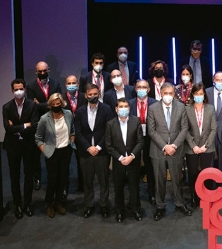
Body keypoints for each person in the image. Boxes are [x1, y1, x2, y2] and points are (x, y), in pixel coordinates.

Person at [148, 82, 192, 220]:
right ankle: (160, 206)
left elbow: (184, 128)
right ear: (161, 94)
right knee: (159, 180)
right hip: (158, 150)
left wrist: (174, 146)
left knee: (177, 179)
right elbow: (151, 130)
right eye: (165, 93)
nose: (168, 96)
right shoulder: (153, 108)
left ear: (174, 94)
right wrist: (164, 146)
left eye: (170, 93)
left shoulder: (181, 107)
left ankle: (180, 203)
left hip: (176, 150)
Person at [74, 84, 114, 219]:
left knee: (104, 181)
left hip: (101, 152)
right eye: (90, 94)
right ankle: (89, 205)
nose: (92, 96)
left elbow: (109, 131)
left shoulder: (106, 109)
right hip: (85, 152)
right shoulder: (79, 112)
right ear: (86, 95)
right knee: (87, 181)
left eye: (95, 94)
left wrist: (98, 147)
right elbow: (78, 133)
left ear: (99, 94)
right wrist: (88, 147)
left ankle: (104, 205)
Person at [2, 78, 39, 218]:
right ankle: (18, 204)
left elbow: (34, 126)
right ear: (12, 91)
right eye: (16, 89)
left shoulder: (32, 105)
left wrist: (16, 127)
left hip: (29, 145)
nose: (18, 91)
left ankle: (27, 204)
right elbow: (7, 128)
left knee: (28, 176)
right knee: (14, 176)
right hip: (13, 146)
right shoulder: (6, 107)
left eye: (21, 89)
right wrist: (25, 125)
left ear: (25, 89)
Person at [35, 93, 75, 218]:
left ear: (62, 104)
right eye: (54, 104)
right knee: (52, 179)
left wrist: (72, 141)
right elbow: (38, 138)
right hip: (52, 152)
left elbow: (72, 130)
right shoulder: (44, 118)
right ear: (50, 104)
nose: (56, 106)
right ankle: (49, 204)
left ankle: (58, 202)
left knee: (62, 178)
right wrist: (45, 151)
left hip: (65, 151)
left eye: (58, 104)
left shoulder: (68, 114)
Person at [105, 98, 144, 222]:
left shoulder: (136, 121)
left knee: (134, 186)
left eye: (126, 106)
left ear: (129, 108)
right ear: (116, 109)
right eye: (121, 106)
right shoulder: (110, 124)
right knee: (118, 187)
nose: (123, 109)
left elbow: (140, 141)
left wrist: (132, 156)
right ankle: (119, 211)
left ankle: (135, 209)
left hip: (133, 159)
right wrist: (121, 158)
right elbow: (108, 145)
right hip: (118, 161)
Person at [27, 61, 63, 190]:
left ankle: (52, 178)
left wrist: (40, 104)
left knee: (54, 152)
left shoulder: (56, 84)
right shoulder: (30, 86)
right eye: (39, 71)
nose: (42, 73)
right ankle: (36, 178)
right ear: (36, 72)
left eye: (44, 71)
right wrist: (49, 103)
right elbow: (32, 105)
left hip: (54, 121)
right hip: (38, 123)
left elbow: (58, 102)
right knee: (36, 154)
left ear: (49, 70)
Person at [183, 83, 217, 208]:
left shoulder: (210, 108)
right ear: (193, 94)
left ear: (204, 95)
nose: (198, 96)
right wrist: (193, 146)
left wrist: (205, 146)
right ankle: (193, 196)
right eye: (196, 94)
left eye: (201, 94)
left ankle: (206, 198)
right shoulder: (187, 109)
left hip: (207, 148)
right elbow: (184, 129)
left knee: (206, 173)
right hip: (192, 147)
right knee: (192, 174)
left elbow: (214, 129)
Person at [128, 79, 158, 205]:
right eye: (139, 87)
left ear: (149, 89)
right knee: (133, 169)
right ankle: (134, 197)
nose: (141, 89)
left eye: (144, 87)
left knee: (150, 168)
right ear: (135, 89)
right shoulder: (129, 104)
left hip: (150, 139)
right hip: (134, 140)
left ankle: (152, 194)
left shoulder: (155, 103)